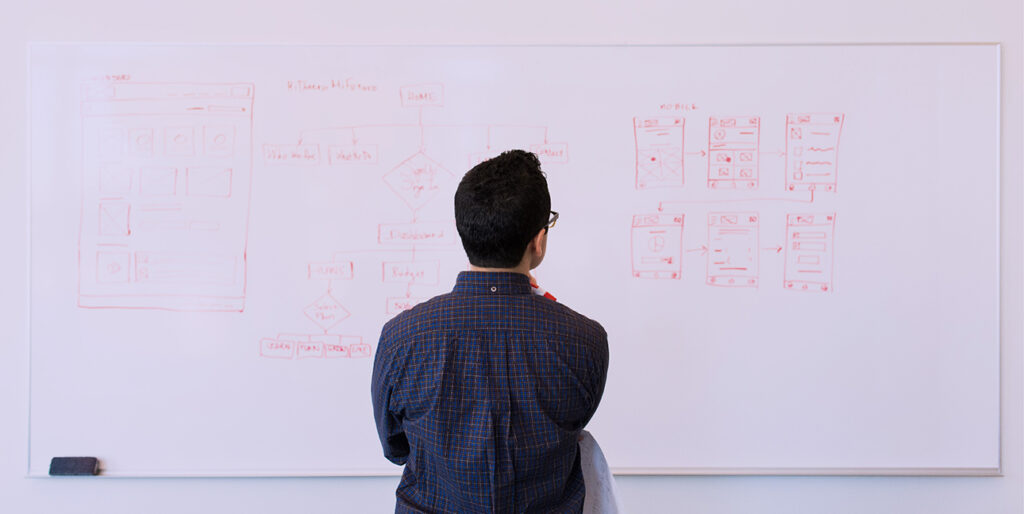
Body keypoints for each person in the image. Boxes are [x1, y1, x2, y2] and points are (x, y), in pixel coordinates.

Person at [371, 149, 609, 513]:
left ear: (464, 230)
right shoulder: (585, 340)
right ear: (538, 241)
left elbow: (396, 448)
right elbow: (572, 430)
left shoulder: (402, 337)